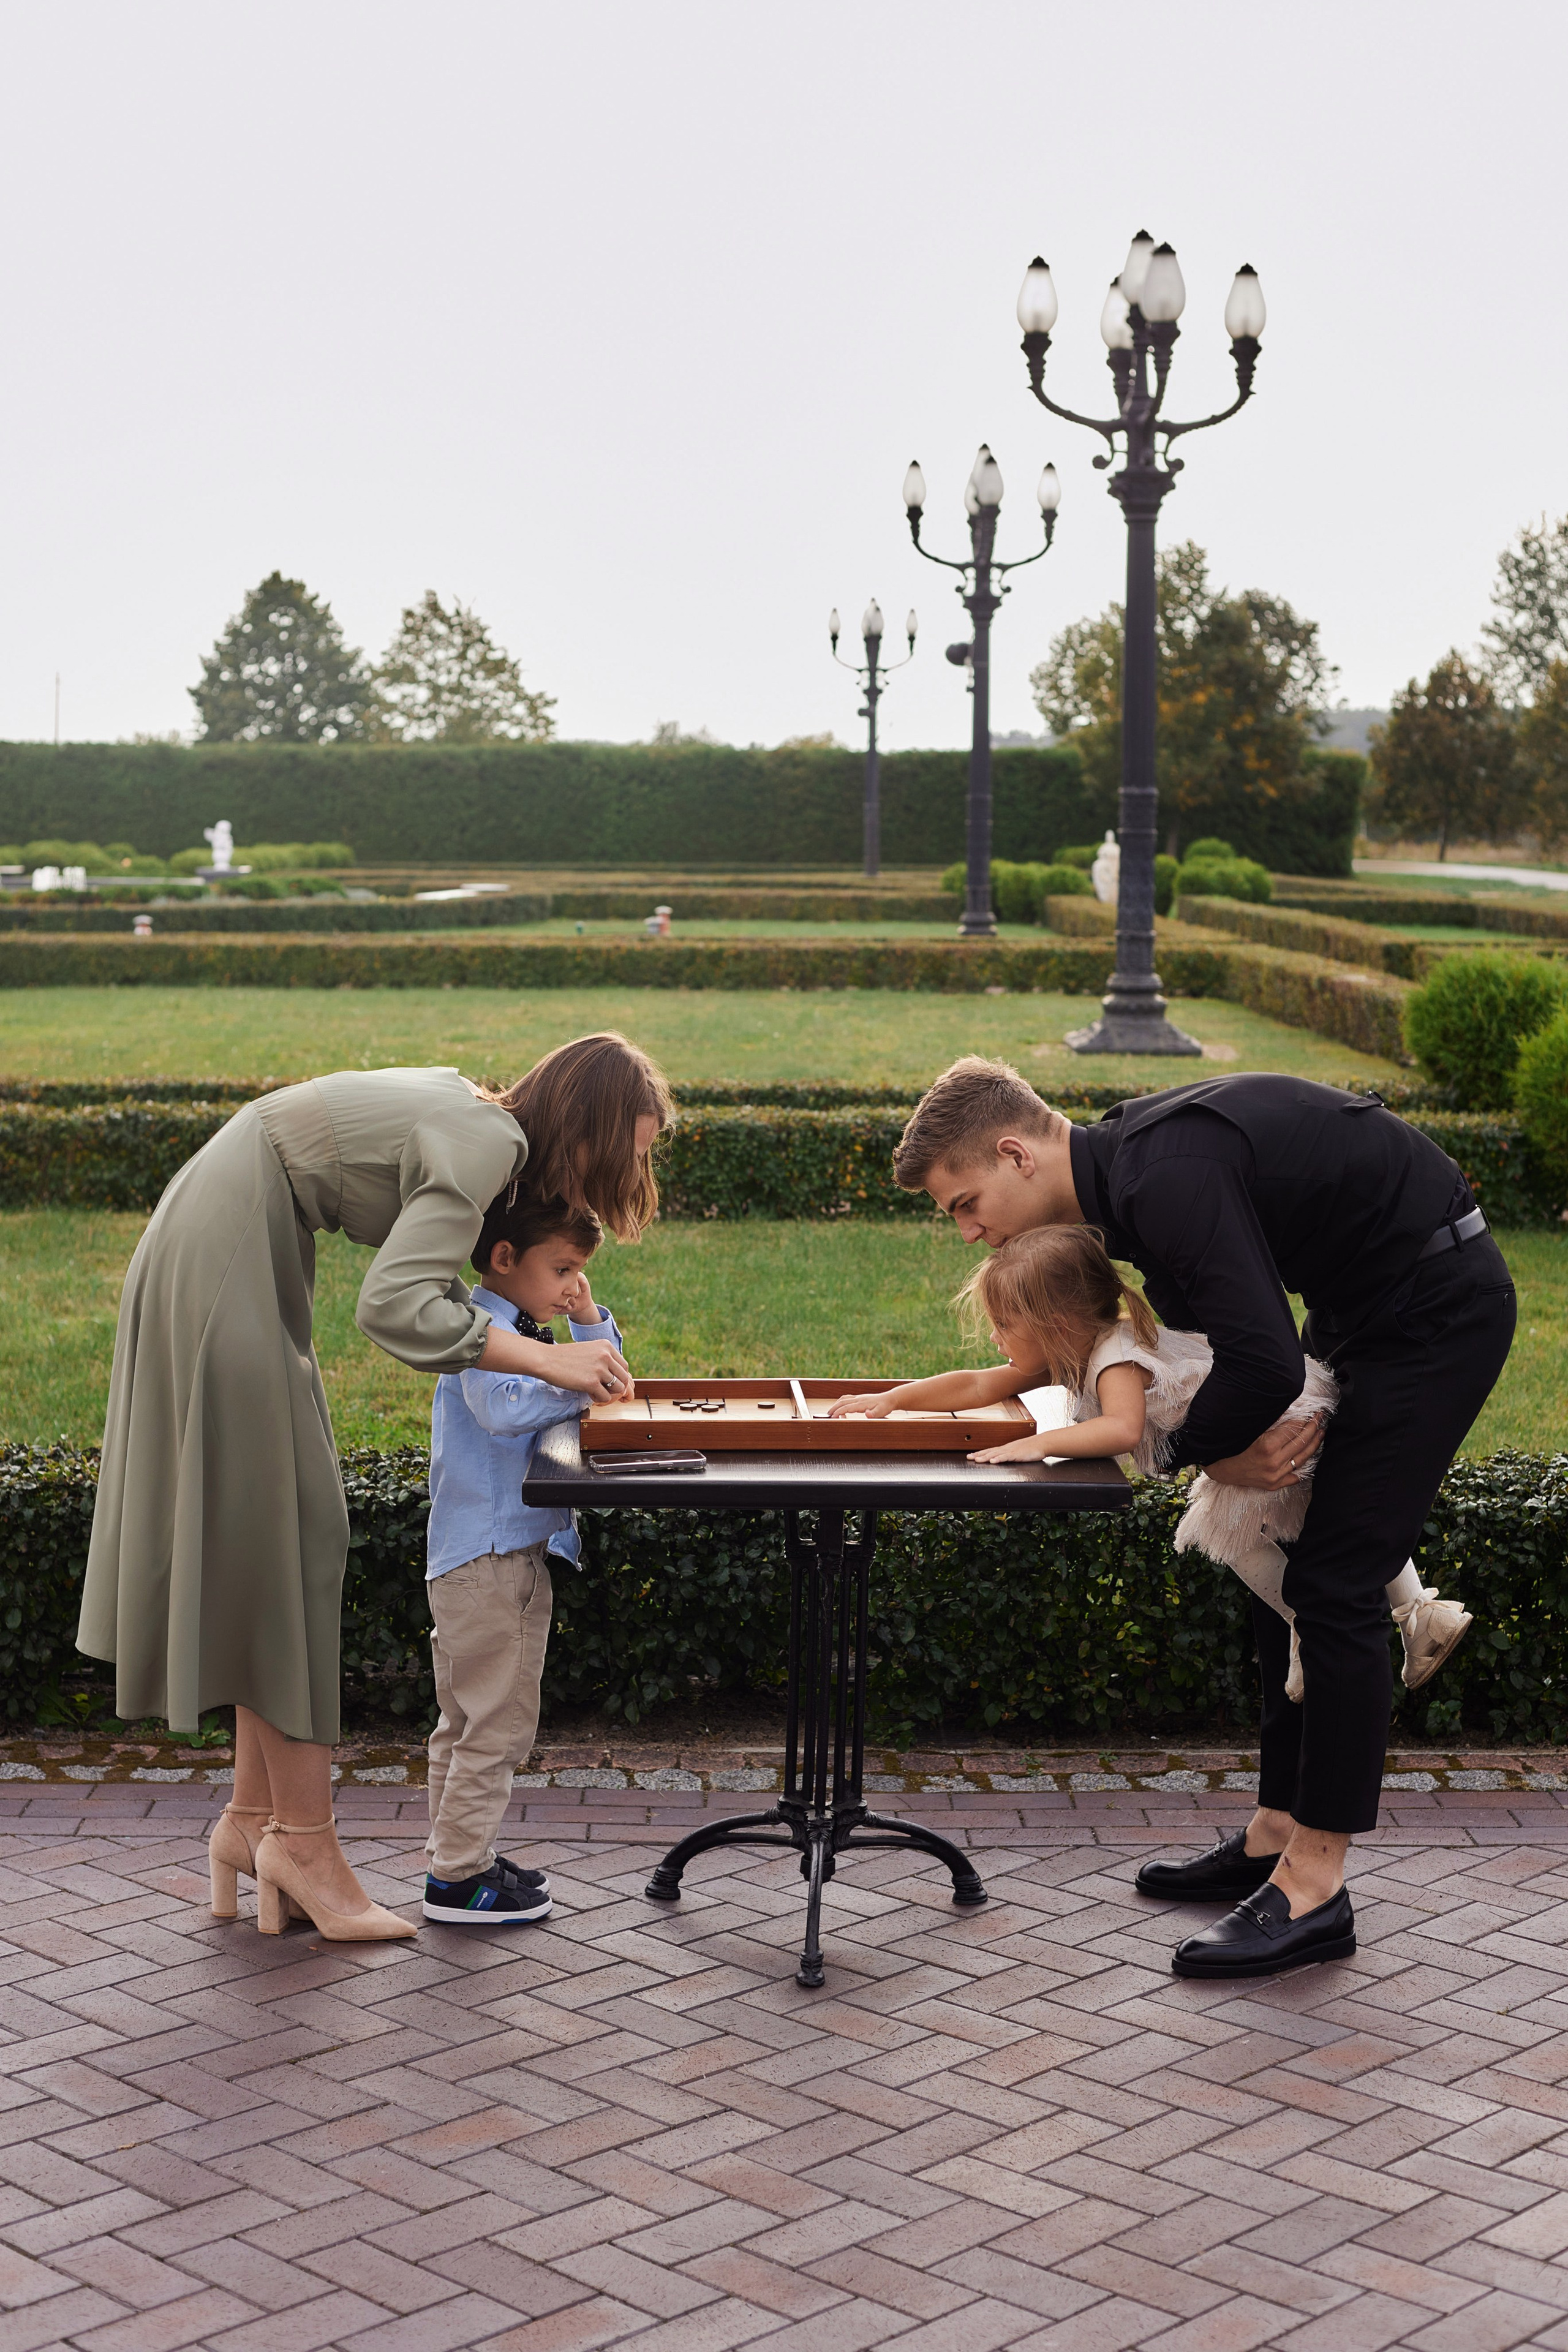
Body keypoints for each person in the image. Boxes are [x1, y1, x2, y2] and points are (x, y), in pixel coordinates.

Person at [890, 1058, 1515, 1980]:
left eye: (965, 1203)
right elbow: (1221, 1345)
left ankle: (1315, 1886)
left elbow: (1259, 1362)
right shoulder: (1128, 1169)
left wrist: (1188, 1455)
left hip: (1439, 1313)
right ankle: (1272, 1834)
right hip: (1363, 1310)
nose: (971, 1230)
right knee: (1280, 1546)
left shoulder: (1161, 1177)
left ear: (1016, 1152)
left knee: (1335, 1581)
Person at [78, 1035, 672, 1942]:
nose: (631, 1169)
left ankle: (253, 1823)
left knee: (271, 1533)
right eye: (628, 1148)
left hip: (232, 1231)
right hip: (229, 1242)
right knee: (296, 1540)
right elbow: (394, 1305)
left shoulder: (478, 1117)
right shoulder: (490, 1143)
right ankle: (305, 1848)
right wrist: (553, 1361)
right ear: (586, 1127)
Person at [829, 1223, 1469, 1700]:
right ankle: (1421, 1613)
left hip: (1273, 1423)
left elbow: (1120, 1428)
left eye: (1003, 1324)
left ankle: (1308, 1620)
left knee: (1234, 1540)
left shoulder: (1113, 1356)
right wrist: (891, 1399)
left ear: (1053, 1324)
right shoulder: (1080, 1345)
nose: (996, 1339)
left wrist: (1038, 1443)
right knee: (1334, 1513)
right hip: (1276, 1414)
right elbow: (975, 1385)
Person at [422, 1187, 623, 1926]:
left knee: (465, 1724)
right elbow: (504, 1408)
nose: (574, 1280)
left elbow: (599, 1371)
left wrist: (586, 1324)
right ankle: (456, 1882)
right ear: (504, 1259)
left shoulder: (523, 1329)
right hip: (490, 1561)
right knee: (496, 1727)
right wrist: (574, 1381)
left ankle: (459, 1857)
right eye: (562, 1266)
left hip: (491, 1557)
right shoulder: (477, 1331)